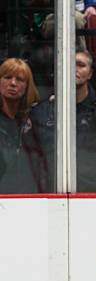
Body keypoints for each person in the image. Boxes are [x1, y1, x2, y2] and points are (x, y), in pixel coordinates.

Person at [30, 50, 96, 192]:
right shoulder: (41, 112)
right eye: (70, 64)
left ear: (90, 73)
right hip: (50, 194)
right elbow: (33, 159)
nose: (74, 69)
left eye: (80, 65)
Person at [0, 57, 46, 193]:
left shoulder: (33, 121)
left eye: (19, 79)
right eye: (7, 77)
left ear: (27, 86)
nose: (13, 83)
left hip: (26, 196)